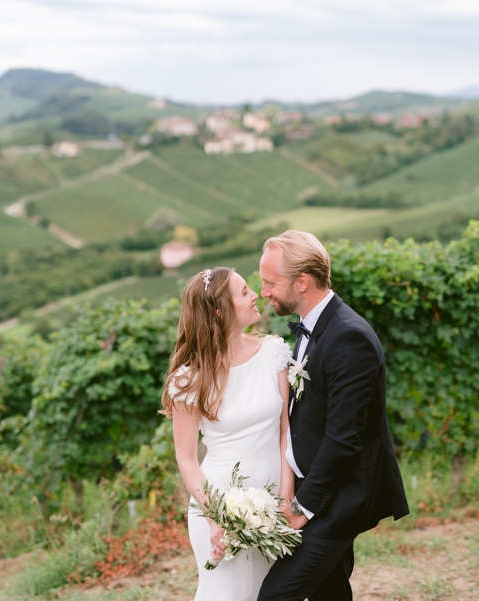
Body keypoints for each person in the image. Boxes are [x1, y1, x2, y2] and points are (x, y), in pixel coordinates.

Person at [257, 230, 409, 601]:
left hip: (337, 499)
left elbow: (343, 439)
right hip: (320, 491)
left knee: (275, 596)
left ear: (302, 282)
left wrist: (300, 509)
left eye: (269, 282)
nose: (263, 292)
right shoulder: (314, 327)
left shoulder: (348, 338)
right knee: (330, 593)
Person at [161, 266, 294, 601]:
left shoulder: (274, 354)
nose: (255, 296)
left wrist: (287, 501)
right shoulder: (189, 379)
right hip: (217, 506)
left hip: (273, 504)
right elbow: (187, 459)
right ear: (220, 312)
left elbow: (285, 434)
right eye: (245, 291)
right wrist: (216, 516)